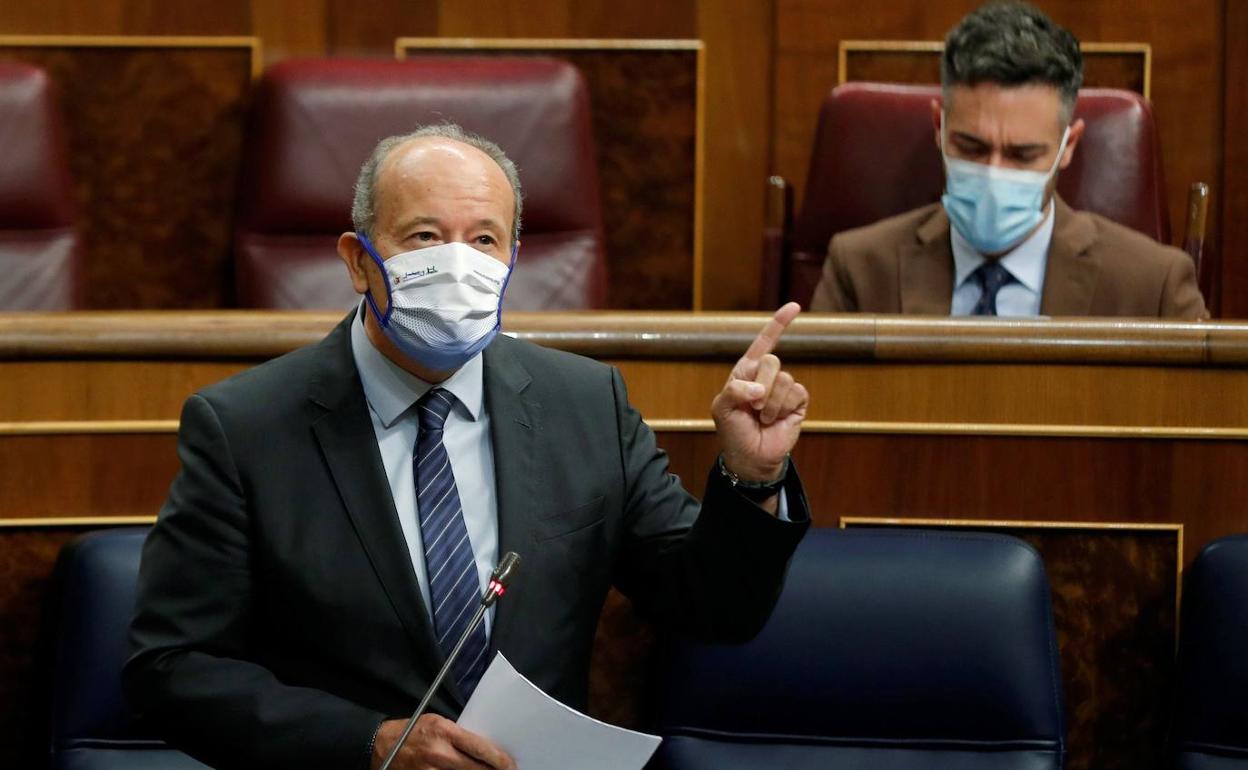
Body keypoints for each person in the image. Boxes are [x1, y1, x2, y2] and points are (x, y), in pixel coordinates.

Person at [124, 123, 811, 770]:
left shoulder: (585, 405)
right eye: (424, 236)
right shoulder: (245, 427)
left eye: (483, 240)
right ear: (359, 262)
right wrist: (368, 743)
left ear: (512, 258)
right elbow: (173, 668)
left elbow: (713, 609)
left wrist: (752, 476)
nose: (457, 262)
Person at [809, 1, 1207, 319]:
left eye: (1022, 155)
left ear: (1068, 146)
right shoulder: (859, 270)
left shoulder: (1154, 287)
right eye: (971, 147)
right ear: (939, 127)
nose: (993, 172)